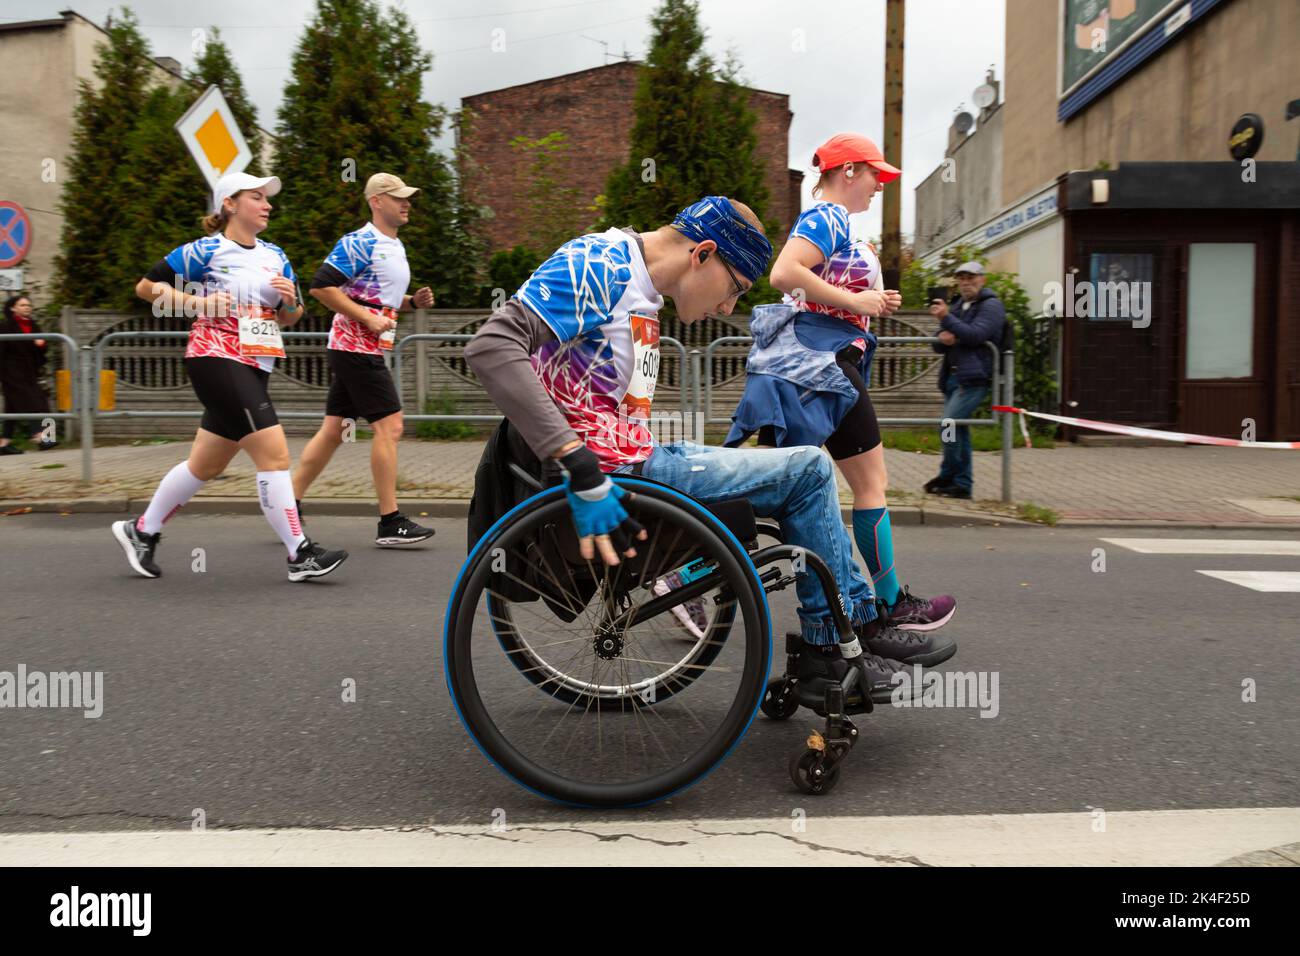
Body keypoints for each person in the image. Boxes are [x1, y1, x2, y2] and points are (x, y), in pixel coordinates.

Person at [464, 195, 955, 703]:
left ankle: (860, 623)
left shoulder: (638, 284)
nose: (727, 308)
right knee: (809, 470)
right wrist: (578, 465)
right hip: (618, 474)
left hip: (635, 460)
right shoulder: (600, 263)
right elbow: (492, 347)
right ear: (702, 253)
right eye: (735, 289)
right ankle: (832, 647)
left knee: (792, 467)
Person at [725, 133, 955, 633]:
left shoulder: (838, 224)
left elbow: (813, 289)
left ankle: (682, 583)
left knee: (767, 490)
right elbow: (784, 274)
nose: (879, 186)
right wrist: (856, 305)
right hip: (822, 369)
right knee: (860, 486)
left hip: (811, 369)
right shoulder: (827, 216)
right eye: (874, 174)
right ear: (847, 170)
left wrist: (872, 303)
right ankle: (889, 604)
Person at [111, 172, 348, 582]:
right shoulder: (205, 251)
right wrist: (196, 301)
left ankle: (142, 531)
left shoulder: (276, 255)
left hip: (257, 363)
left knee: (204, 465)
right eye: (257, 197)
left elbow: (290, 318)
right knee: (274, 453)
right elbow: (146, 288)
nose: (268, 204)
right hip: (215, 356)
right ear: (230, 205)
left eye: (267, 198)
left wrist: (291, 302)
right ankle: (300, 554)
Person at [293, 173, 435, 547]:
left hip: (365, 346)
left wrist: (410, 303)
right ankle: (390, 521)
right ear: (376, 201)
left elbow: (374, 296)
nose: (406, 203)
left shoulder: (394, 244)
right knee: (391, 427)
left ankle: (284, 504)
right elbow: (321, 286)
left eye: (409, 198)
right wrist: (368, 319)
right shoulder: (359, 242)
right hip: (354, 347)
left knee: (333, 432)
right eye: (398, 198)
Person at [924, 262, 1006, 500]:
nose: (966, 282)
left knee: (948, 425)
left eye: (971, 277)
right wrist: (944, 336)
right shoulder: (961, 305)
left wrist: (948, 321)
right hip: (953, 378)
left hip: (973, 379)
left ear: (983, 279)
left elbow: (976, 335)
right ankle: (960, 482)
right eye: (961, 278)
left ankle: (950, 475)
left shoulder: (991, 306)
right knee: (958, 431)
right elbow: (938, 343)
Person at [0, 295, 56, 454]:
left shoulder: (33, 325)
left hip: (29, 372)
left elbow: (42, 349)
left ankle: (3, 444)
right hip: (11, 373)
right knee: (34, 402)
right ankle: (43, 437)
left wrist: (41, 344)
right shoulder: (5, 326)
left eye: (29, 305)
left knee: (12, 409)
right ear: (13, 308)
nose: (27, 307)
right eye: (23, 305)